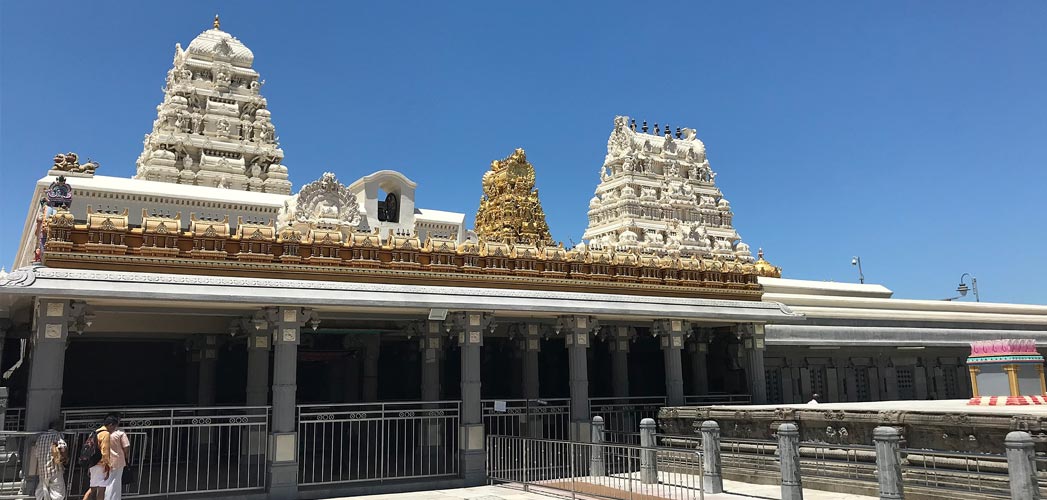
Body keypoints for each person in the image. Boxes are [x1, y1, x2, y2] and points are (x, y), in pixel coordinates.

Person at [31, 421, 68, 500]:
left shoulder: (41, 437)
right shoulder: (57, 436)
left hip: (42, 469)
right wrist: (65, 458)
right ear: (57, 427)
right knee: (57, 492)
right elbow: (63, 447)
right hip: (55, 468)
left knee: (42, 491)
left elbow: (36, 453)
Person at [87, 415, 117, 500]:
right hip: (101, 465)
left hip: (93, 463)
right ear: (111, 425)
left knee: (93, 488)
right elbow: (105, 452)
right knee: (101, 489)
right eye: (114, 427)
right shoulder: (106, 434)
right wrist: (107, 467)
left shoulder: (96, 432)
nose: (114, 430)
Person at [104, 414, 130, 500]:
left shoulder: (101, 433)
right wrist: (126, 456)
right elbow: (126, 447)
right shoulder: (120, 433)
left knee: (105, 482)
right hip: (118, 461)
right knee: (115, 483)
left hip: (104, 461)